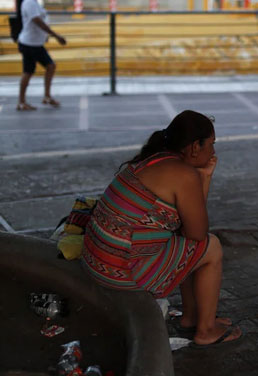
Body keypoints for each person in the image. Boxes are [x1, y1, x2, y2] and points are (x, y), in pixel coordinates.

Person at [81, 110, 242, 348]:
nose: (214, 152)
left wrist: (204, 177)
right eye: (211, 144)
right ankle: (206, 330)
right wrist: (203, 178)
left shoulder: (153, 159)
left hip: (97, 263)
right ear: (195, 147)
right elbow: (197, 233)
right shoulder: (183, 174)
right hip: (120, 273)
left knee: (188, 245)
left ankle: (191, 318)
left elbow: (189, 226)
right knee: (212, 247)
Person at [15, 0, 66, 111]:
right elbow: (38, 21)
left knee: (50, 66)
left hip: (34, 43)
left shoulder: (33, 2)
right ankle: (21, 102)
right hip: (29, 44)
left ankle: (46, 97)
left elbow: (40, 21)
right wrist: (55, 35)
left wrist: (45, 36)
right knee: (29, 72)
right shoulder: (29, 2)